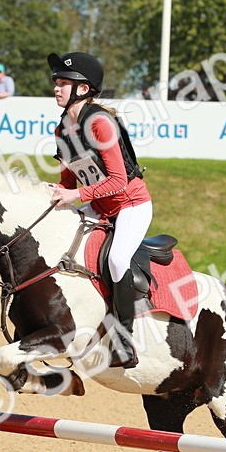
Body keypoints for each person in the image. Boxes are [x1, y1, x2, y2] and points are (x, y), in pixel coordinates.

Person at [47, 52, 150, 368]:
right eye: (56, 83)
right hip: (98, 204)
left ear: (83, 88)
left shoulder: (100, 123)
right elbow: (70, 174)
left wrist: (75, 195)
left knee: (118, 259)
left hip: (130, 205)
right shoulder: (63, 128)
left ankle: (124, 339)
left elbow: (119, 180)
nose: (56, 88)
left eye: (64, 82)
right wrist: (55, 193)